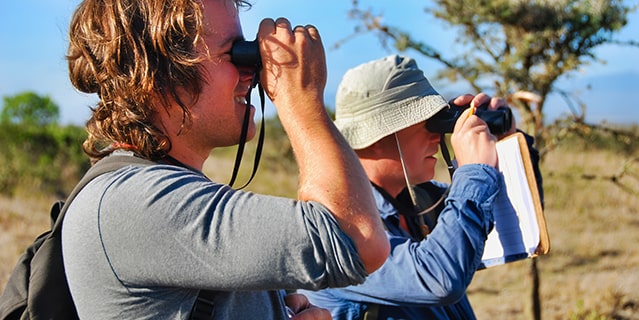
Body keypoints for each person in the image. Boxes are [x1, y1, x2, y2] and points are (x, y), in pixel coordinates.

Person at [61, 0, 390, 319]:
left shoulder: (162, 193)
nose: (253, 72)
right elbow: (359, 240)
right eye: (233, 53)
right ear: (157, 74)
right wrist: (300, 98)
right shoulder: (134, 202)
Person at [299, 55, 543, 319]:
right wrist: (473, 172)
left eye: (440, 119)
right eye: (426, 121)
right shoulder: (337, 228)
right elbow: (439, 278)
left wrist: (506, 146)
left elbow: (517, 223)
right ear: (376, 137)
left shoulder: (419, 201)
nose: (438, 134)